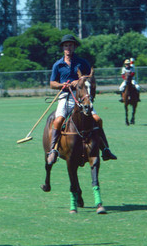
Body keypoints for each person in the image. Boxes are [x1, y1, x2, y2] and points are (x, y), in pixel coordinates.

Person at [46, 34, 117, 165]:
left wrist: (78, 82)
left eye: (71, 45)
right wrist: (63, 85)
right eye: (66, 45)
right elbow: (52, 83)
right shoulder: (58, 64)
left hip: (82, 97)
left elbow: (89, 78)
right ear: (63, 48)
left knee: (97, 119)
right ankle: (53, 151)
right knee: (58, 121)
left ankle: (105, 149)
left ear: (74, 47)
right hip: (65, 96)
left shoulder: (82, 63)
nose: (68, 48)